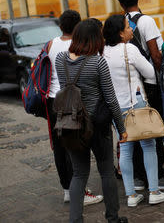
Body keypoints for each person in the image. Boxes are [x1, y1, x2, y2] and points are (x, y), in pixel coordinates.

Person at [55, 20, 128, 222]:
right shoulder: (97, 62)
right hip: (96, 124)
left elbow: (65, 88)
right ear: (96, 38)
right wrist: (121, 128)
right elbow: (111, 99)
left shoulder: (60, 59)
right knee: (106, 171)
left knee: (79, 174)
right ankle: (113, 217)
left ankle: (75, 220)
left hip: (71, 124)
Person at [113, 0, 164, 191]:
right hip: (149, 82)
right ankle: (157, 175)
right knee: (154, 128)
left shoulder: (122, 23)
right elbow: (156, 54)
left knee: (133, 131)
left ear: (121, 4)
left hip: (131, 83)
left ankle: (139, 176)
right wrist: (161, 79)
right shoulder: (146, 21)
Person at [103, 14, 164, 207]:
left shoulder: (103, 52)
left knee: (125, 148)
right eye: (127, 27)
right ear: (120, 33)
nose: (131, 29)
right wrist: (146, 87)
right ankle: (154, 191)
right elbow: (150, 72)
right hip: (137, 104)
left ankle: (131, 195)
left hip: (117, 108)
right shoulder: (129, 49)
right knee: (148, 146)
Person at [46, 10, 103, 206]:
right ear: (78, 26)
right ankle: (81, 189)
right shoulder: (78, 46)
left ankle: (67, 190)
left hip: (55, 100)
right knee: (80, 144)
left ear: (61, 26)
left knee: (61, 145)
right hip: (77, 101)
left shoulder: (51, 44)